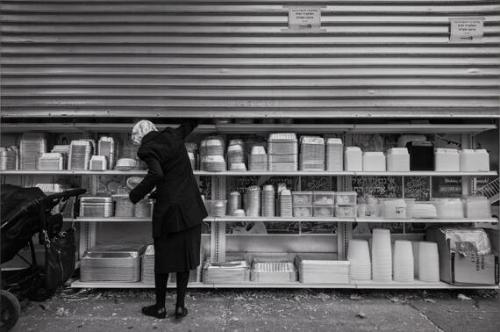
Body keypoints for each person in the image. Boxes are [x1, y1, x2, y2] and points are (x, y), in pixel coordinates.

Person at [128, 119, 207, 319]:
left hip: (169, 213)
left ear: (138, 137)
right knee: (184, 259)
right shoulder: (174, 135)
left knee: (163, 260)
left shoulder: (147, 149)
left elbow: (156, 173)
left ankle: (160, 307)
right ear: (152, 128)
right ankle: (180, 306)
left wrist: (135, 195)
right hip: (190, 209)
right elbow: (190, 125)